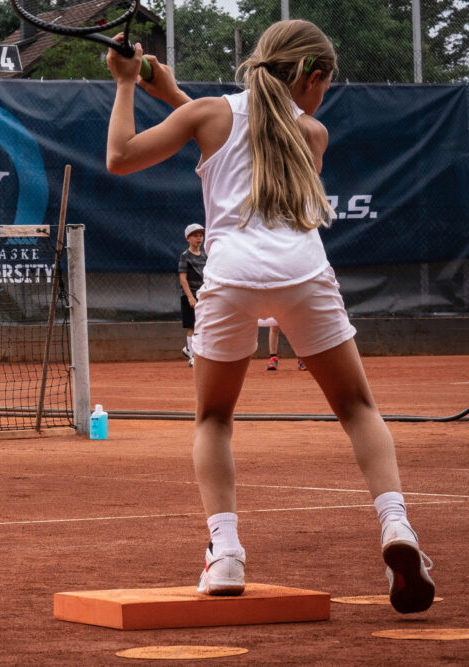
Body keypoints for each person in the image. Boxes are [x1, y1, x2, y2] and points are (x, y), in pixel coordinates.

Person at [106, 20, 434, 614]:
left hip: (230, 278)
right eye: (325, 83)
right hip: (304, 274)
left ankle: (226, 552)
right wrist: (174, 95)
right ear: (309, 75)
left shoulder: (208, 114)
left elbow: (121, 157)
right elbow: (255, 135)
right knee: (358, 408)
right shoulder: (313, 132)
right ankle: (397, 529)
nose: (323, 96)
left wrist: (130, 84)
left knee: (213, 418)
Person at [179, 223, 207, 367]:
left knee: (202, 326)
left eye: (201, 235)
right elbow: (183, 279)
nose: (199, 238)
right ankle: (192, 357)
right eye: (195, 236)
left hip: (203, 295)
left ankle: (188, 348)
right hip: (190, 295)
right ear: (187, 238)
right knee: (193, 326)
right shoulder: (185, 256)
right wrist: (190, 296)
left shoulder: (205, 256)